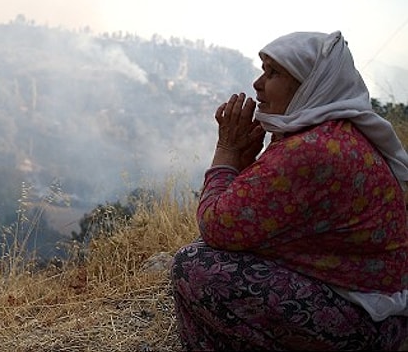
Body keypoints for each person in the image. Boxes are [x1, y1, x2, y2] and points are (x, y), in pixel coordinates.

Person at [170, 31, 408, 350]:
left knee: (195, 265)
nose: (257, 83)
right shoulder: (331, 133)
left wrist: (226, 151)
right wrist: (242, 163)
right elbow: (248, 222)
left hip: (365, 325)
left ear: (308, 86)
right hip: (379, 306)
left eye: (273, 72)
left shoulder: (311, 150)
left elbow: (216, 226)